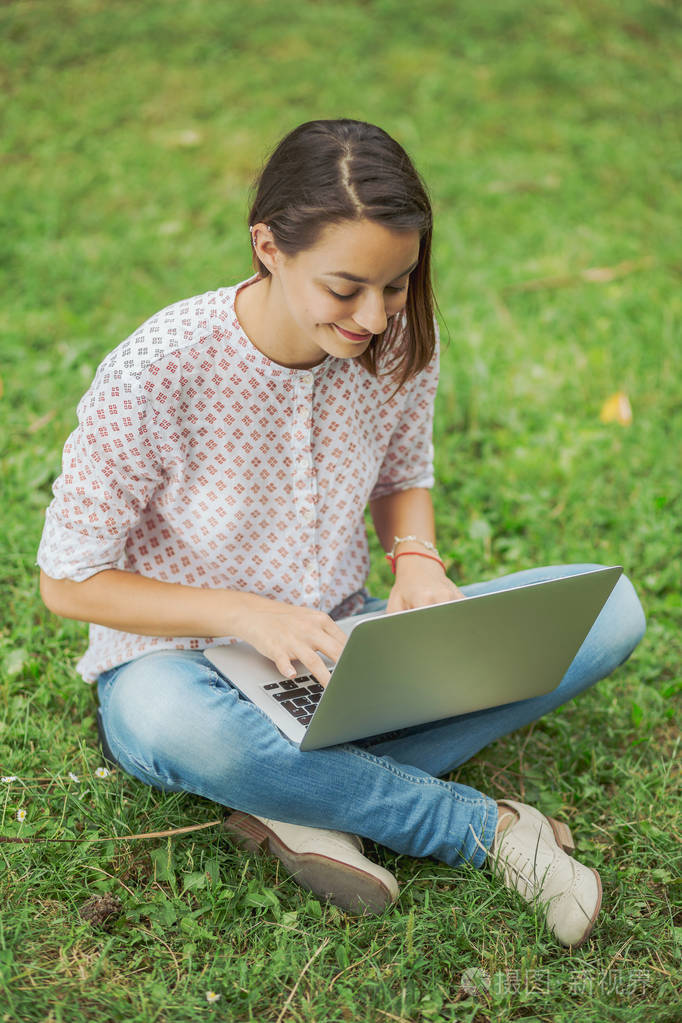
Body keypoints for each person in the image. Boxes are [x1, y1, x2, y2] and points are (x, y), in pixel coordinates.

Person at [37, 118, 645, 948]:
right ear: (268, 248)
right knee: (175, 726)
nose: (373, 315)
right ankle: (491, 832)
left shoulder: (396, 342)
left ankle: (289, 794)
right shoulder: (158, 369)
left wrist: (419, 563)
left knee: (611, 610)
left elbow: (403, 478)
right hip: (179, 671)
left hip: (343, 654)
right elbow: (68, 581)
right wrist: (249, 614)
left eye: (396, 285)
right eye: (345, 287)